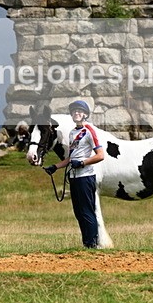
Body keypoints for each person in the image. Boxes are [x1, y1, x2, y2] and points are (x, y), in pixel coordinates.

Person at [43, 100, 105, 248]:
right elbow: (71, 158)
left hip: (86, 176)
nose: (76, 113)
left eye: (79, 111)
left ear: (85, 114)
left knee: (87, 211)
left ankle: (93, 243)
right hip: (74, 177)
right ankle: (86, 243)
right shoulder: (72, 133)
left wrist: (83, 163)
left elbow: (100, 155)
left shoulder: (89, 131)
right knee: (79, 212)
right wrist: (55, 167)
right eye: (74, 111)